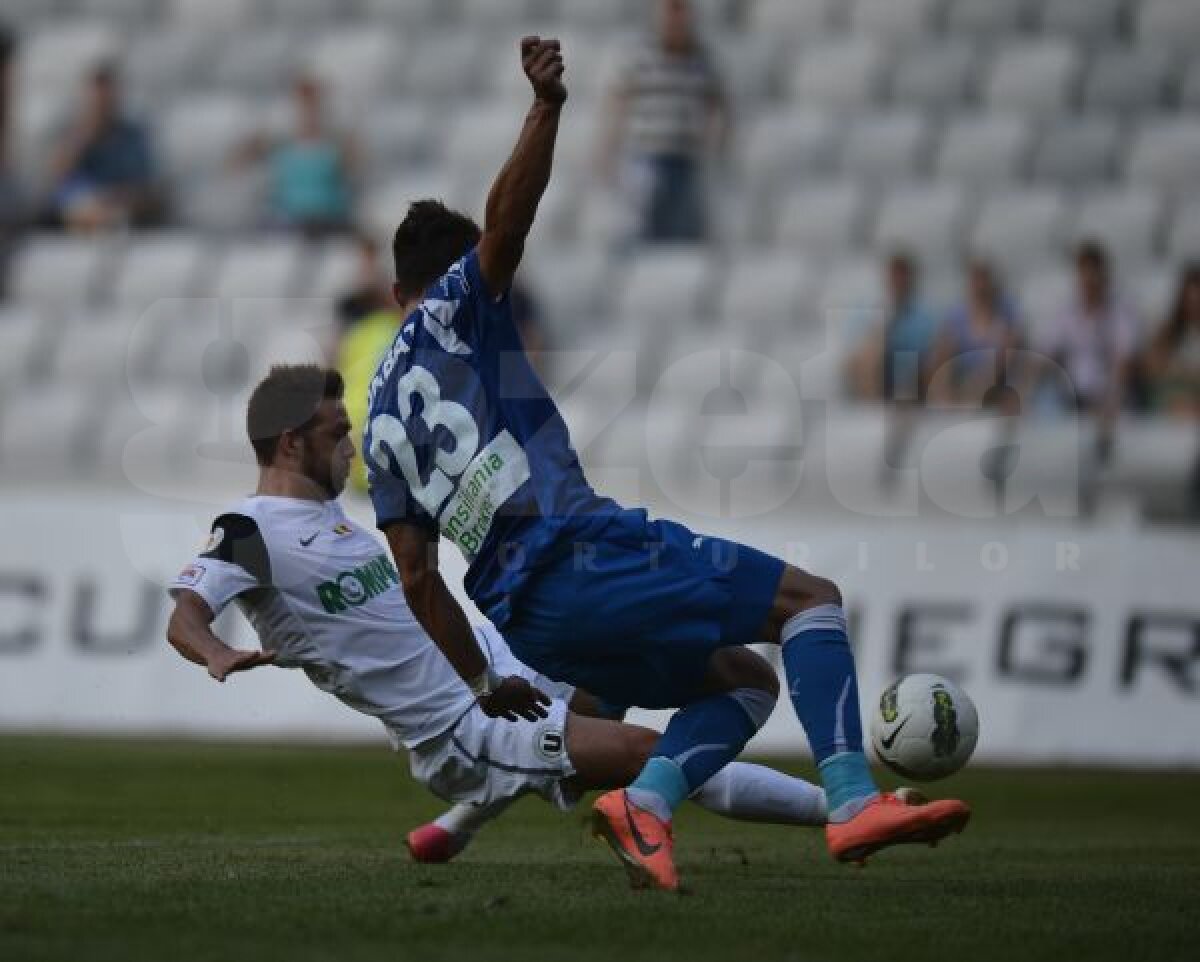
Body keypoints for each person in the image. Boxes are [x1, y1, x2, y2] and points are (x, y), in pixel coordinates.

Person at [363, 38, 969, 892]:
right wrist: (546, 107)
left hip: (529, 622)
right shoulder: (462, 305)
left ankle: (642, 804)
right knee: (810, 602)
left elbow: (419, 580)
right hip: (584, 554)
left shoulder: (378, 426)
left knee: (743, 682)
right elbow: (508, 227)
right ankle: (851, 803)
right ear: (462, 273)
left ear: (395, 293)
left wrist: (482, 678)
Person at [165, 363, 861, 865]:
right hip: (458, 729)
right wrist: (216, 651)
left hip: (497, 666)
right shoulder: (250, 527)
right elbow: (186, 614)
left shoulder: (331, 517)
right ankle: (843, 811)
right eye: (335, 432)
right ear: (291, 443)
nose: (351, 445)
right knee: (653, 760)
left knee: (667, 668)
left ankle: (457, 827)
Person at [599, 0, 728, 243]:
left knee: (680, 235)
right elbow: (618, 102)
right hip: (645, 158)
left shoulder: (701, 60)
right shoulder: (639, 56)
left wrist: (716, 142)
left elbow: (717, 103)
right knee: (639, 230)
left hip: (685, 160)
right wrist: (608, 151)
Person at [235, 75, 358, 236]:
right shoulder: (279, 145)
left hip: (329, 222)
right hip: (287, 223)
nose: (308, 113)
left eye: (314, 106)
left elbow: (355, 169)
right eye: (302, 106)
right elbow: (237, 162)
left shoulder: (336, 146)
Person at [45, 62, 161, 230]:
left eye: (107, 97)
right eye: (97, 97)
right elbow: (55, 180)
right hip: (78, 206)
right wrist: (84, 137)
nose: (102, 103)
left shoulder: (132, 136)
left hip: (121, 204)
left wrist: (112, 197)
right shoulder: (70, 132)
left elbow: (144, 183)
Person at [845, 251, 941, 404]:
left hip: (913, 366)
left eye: (902, 276)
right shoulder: (874, 308)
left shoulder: (924, 313)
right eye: (894, 276)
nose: (898, 281)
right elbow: (858, 341)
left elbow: (928, 345)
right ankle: (870, 407)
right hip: (882, 364)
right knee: (865, 359)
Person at [929, 258, 1023, 407]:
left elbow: (1005, 358)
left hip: (996, 387)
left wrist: (976, 386)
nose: (980, 286)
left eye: (984, 280)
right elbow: (943, 352)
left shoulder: (1005, 314)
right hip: (963, 383)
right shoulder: (958, 316)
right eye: (976, 280)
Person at [1141, 263, 1200, 418]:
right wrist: (1182, 371)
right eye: (1190, 300)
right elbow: (1150, 366)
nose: (1194, 306)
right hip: (1172, 396)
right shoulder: (1168, 330)